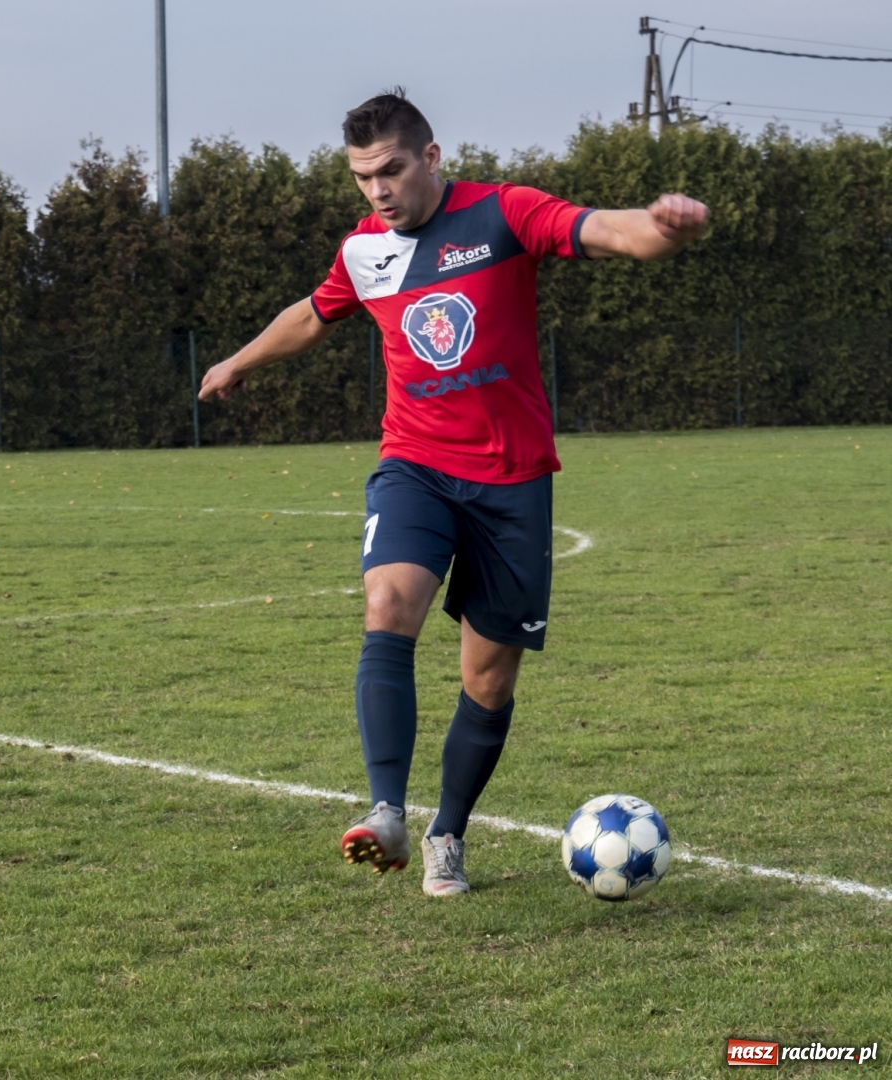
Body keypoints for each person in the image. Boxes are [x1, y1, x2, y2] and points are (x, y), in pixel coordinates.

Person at [197, 89, 708, 897]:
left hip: (512, 483)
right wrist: (237, 361)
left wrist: (660, 229)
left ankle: (447, 833)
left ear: (431, 158)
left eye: (391, 169)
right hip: (416, 465)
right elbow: (313, 314)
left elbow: (603, 230)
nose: (378, 189)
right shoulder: (364, 250)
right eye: (362, 176)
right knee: (388, 602)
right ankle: (386, 812)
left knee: (488, 681)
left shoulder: (503, 215)